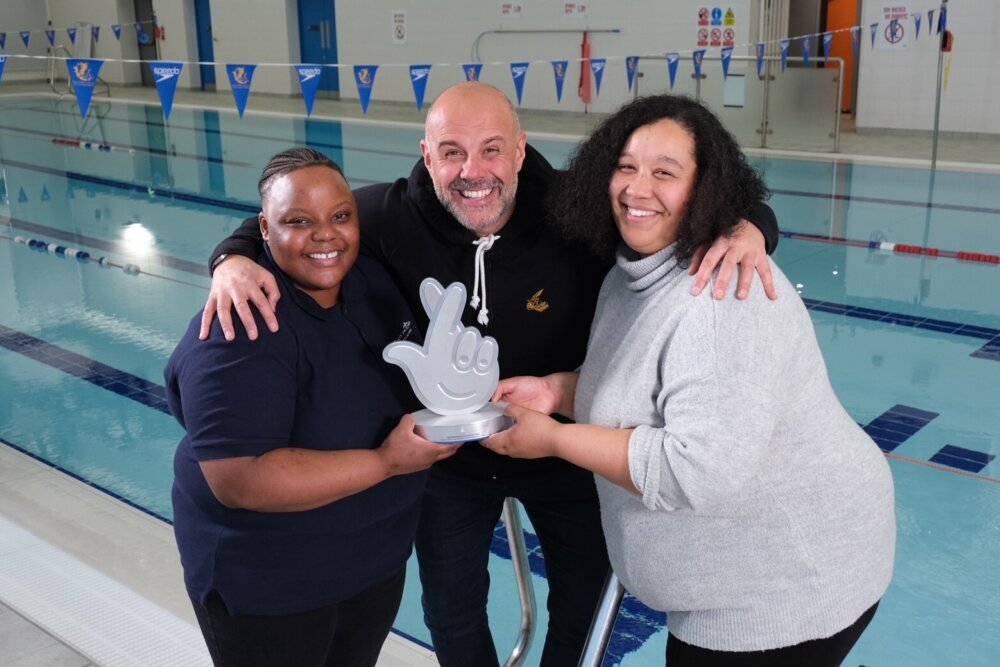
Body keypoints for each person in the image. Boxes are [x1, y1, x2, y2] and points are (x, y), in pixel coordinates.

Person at [200, 83, 781, 666]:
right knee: (451, 609)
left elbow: (678, 208)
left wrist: (752, 227)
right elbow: (300, 223)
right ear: (427, 157)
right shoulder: (388, 216)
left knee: (581, 602)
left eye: (491, 150)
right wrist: (230, 259)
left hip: (565, 448)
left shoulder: (574, 211)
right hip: (448, 462)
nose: (472, 172)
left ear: (521, 151)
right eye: (451, 152)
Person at [483, 94, 896, 666]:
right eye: (626, 167)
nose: (637, 188)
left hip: (786, 585)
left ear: (705, 189)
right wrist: (557, 391)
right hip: (734, 581)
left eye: (665, 172)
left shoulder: (722, 294)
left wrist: (552, 438)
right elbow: (648, 387)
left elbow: (696, 468)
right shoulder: (632, 275)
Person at [165, 147, 458, 667]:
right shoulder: (240, 326)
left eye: (341, 217)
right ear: (264, 228)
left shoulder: (370, 279)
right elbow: (241, 479)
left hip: (373, 563)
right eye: (298, 221)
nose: (326, 235)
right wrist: (386, 463)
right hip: (272, 585)